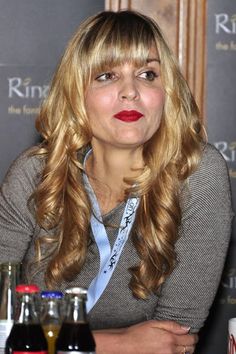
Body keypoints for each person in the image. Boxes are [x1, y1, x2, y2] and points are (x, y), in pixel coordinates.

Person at [0, 10, 233, 354]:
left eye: (147, 74)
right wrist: (114, 343)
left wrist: (39, 339)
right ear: (77, 94)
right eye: (107, 75)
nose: (130, 92)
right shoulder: (36, 175)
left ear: (167, 92)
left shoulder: (196, 175)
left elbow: (173, 342)